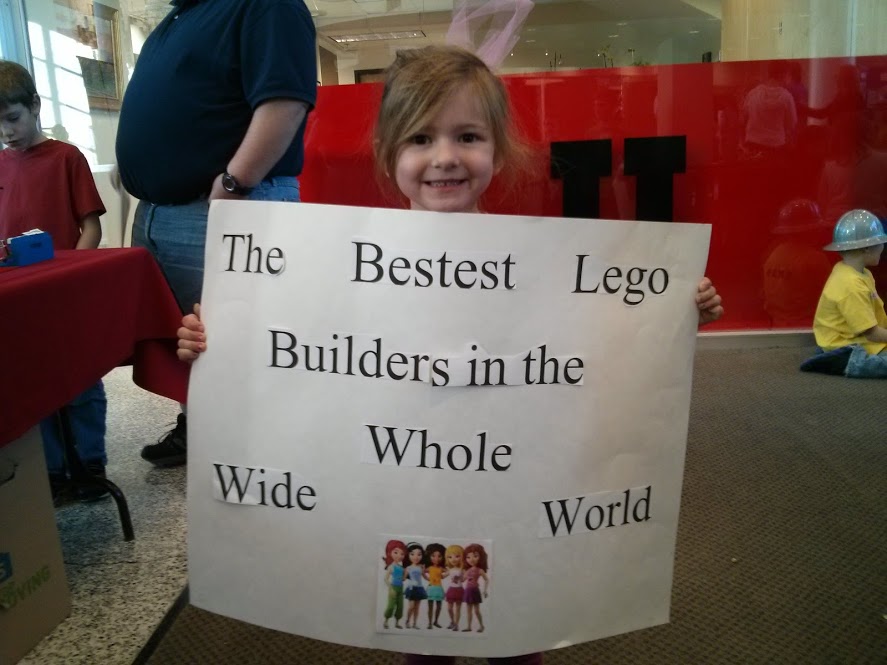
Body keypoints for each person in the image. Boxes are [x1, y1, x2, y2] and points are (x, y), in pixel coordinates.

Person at [176, 45, 725, 664]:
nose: (444, 158)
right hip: (406, 497)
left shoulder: (541, 263)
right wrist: (213, 339)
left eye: (468, 136)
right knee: (421, 635)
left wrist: (676, 312)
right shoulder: (348, 265)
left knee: (518, 629)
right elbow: (292, 347)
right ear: (391, 155)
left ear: (497, 149)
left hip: (514, 491)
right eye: (419, 139)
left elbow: (601, 343)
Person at [115, 0, 318, 468]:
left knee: (244, 343)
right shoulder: (179, 17)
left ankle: (264, 461)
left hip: (229, 204)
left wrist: (233, 183)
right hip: (163, 213)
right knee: (195, 340)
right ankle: (202, 427)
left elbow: (284, 102)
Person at [0, 60, 108, 502]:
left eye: (12, 118)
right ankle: (55, 470)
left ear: (35, 107)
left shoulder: (67, 157)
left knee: (80, 381)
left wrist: (72, 279)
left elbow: (92, 228)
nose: (6, 131)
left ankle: (91, 462)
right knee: (36, 384)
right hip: (21, 298)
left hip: (63, 295)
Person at [807, 209, 887, 378]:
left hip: (861, 339)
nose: (883, 247)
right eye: (881, 242)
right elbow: (872, 334)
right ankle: (834, 361)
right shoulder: (851, 286)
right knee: (877, 365)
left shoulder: (856, 272)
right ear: (867, 248)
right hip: (847, 348)